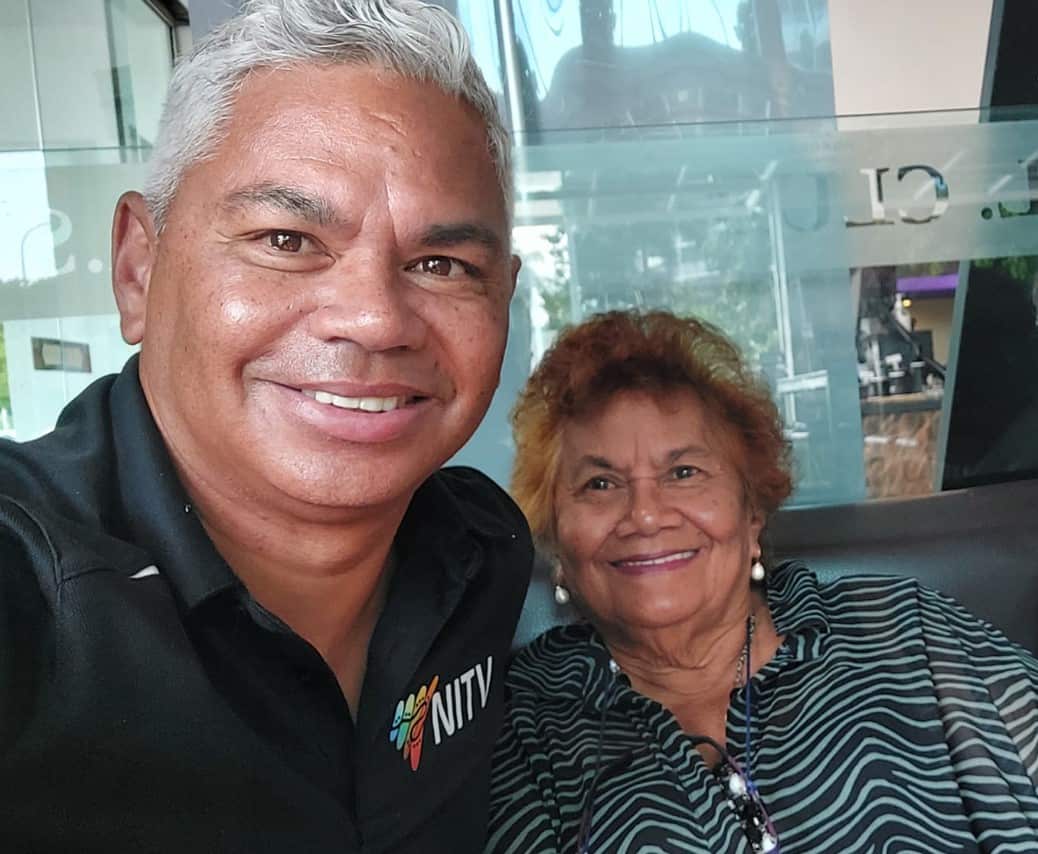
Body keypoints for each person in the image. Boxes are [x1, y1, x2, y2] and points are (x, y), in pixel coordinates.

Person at [0, 1, 533, 851]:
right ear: (139, 267)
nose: (373, 319)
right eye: (286, 239)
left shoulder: (480, 553)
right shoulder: (31, 592)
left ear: (503, 298)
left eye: (440, 265)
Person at [486, 310, 1038, 853]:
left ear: (752, 515)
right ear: (557, 540)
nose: (647, 515)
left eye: (684, 472)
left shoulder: (903, 631)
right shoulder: (524, 722)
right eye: (600, 483)